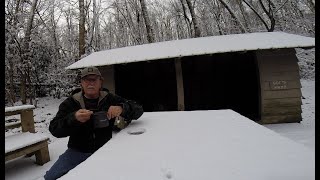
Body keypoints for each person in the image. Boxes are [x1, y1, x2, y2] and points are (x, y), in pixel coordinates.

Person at [44, 66, 144, 180]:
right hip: (77, 151)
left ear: (100, 82)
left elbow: (139, 109)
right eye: (87, 80)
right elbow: (54, 129)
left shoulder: (110, 98)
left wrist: (122, 108)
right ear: (81, 83)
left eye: (94, 79)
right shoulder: (71, 103)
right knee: (50, 177)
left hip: (106, 150)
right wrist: (74, 118)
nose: (90, 83)